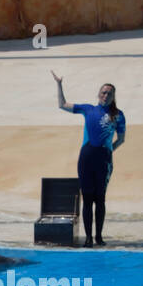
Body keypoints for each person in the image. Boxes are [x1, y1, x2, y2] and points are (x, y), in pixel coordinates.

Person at [52, 72, 126, 247]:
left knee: (100, 199)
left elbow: (121, 139)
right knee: (87, 199)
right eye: (103, 92)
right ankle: (88, 238)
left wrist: (109, 151)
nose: (105, 95)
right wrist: (59, 84)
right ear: (98, 94)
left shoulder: (119, 115)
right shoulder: (88, 109)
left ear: (113, 97)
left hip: (104, 160)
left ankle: (99, 237)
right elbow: (62, 105)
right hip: (86, 158)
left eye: (109, 93)